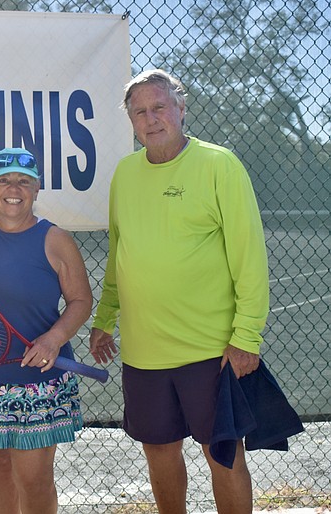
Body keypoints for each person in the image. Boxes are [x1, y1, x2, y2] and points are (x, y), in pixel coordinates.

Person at [89, 69, 269, 514]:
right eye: (140, 112)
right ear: (130, 121)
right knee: (160, 452)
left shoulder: (219, 164)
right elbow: (119, 253)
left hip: (211, 350)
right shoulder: (125, 175)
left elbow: (250, 258)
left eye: (159, 107)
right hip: (143, 354)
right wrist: (103, 319)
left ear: (181, 109)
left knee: (223, 454)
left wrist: (246, 337)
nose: (151, 119)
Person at [0, 147, 93, 514]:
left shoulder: (54, 238)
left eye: (23, 181)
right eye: (4, 180)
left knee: (34, 480)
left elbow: (80, 301)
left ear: (37, 189)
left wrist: (53, 338)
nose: (13, 188)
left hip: (36, 380)